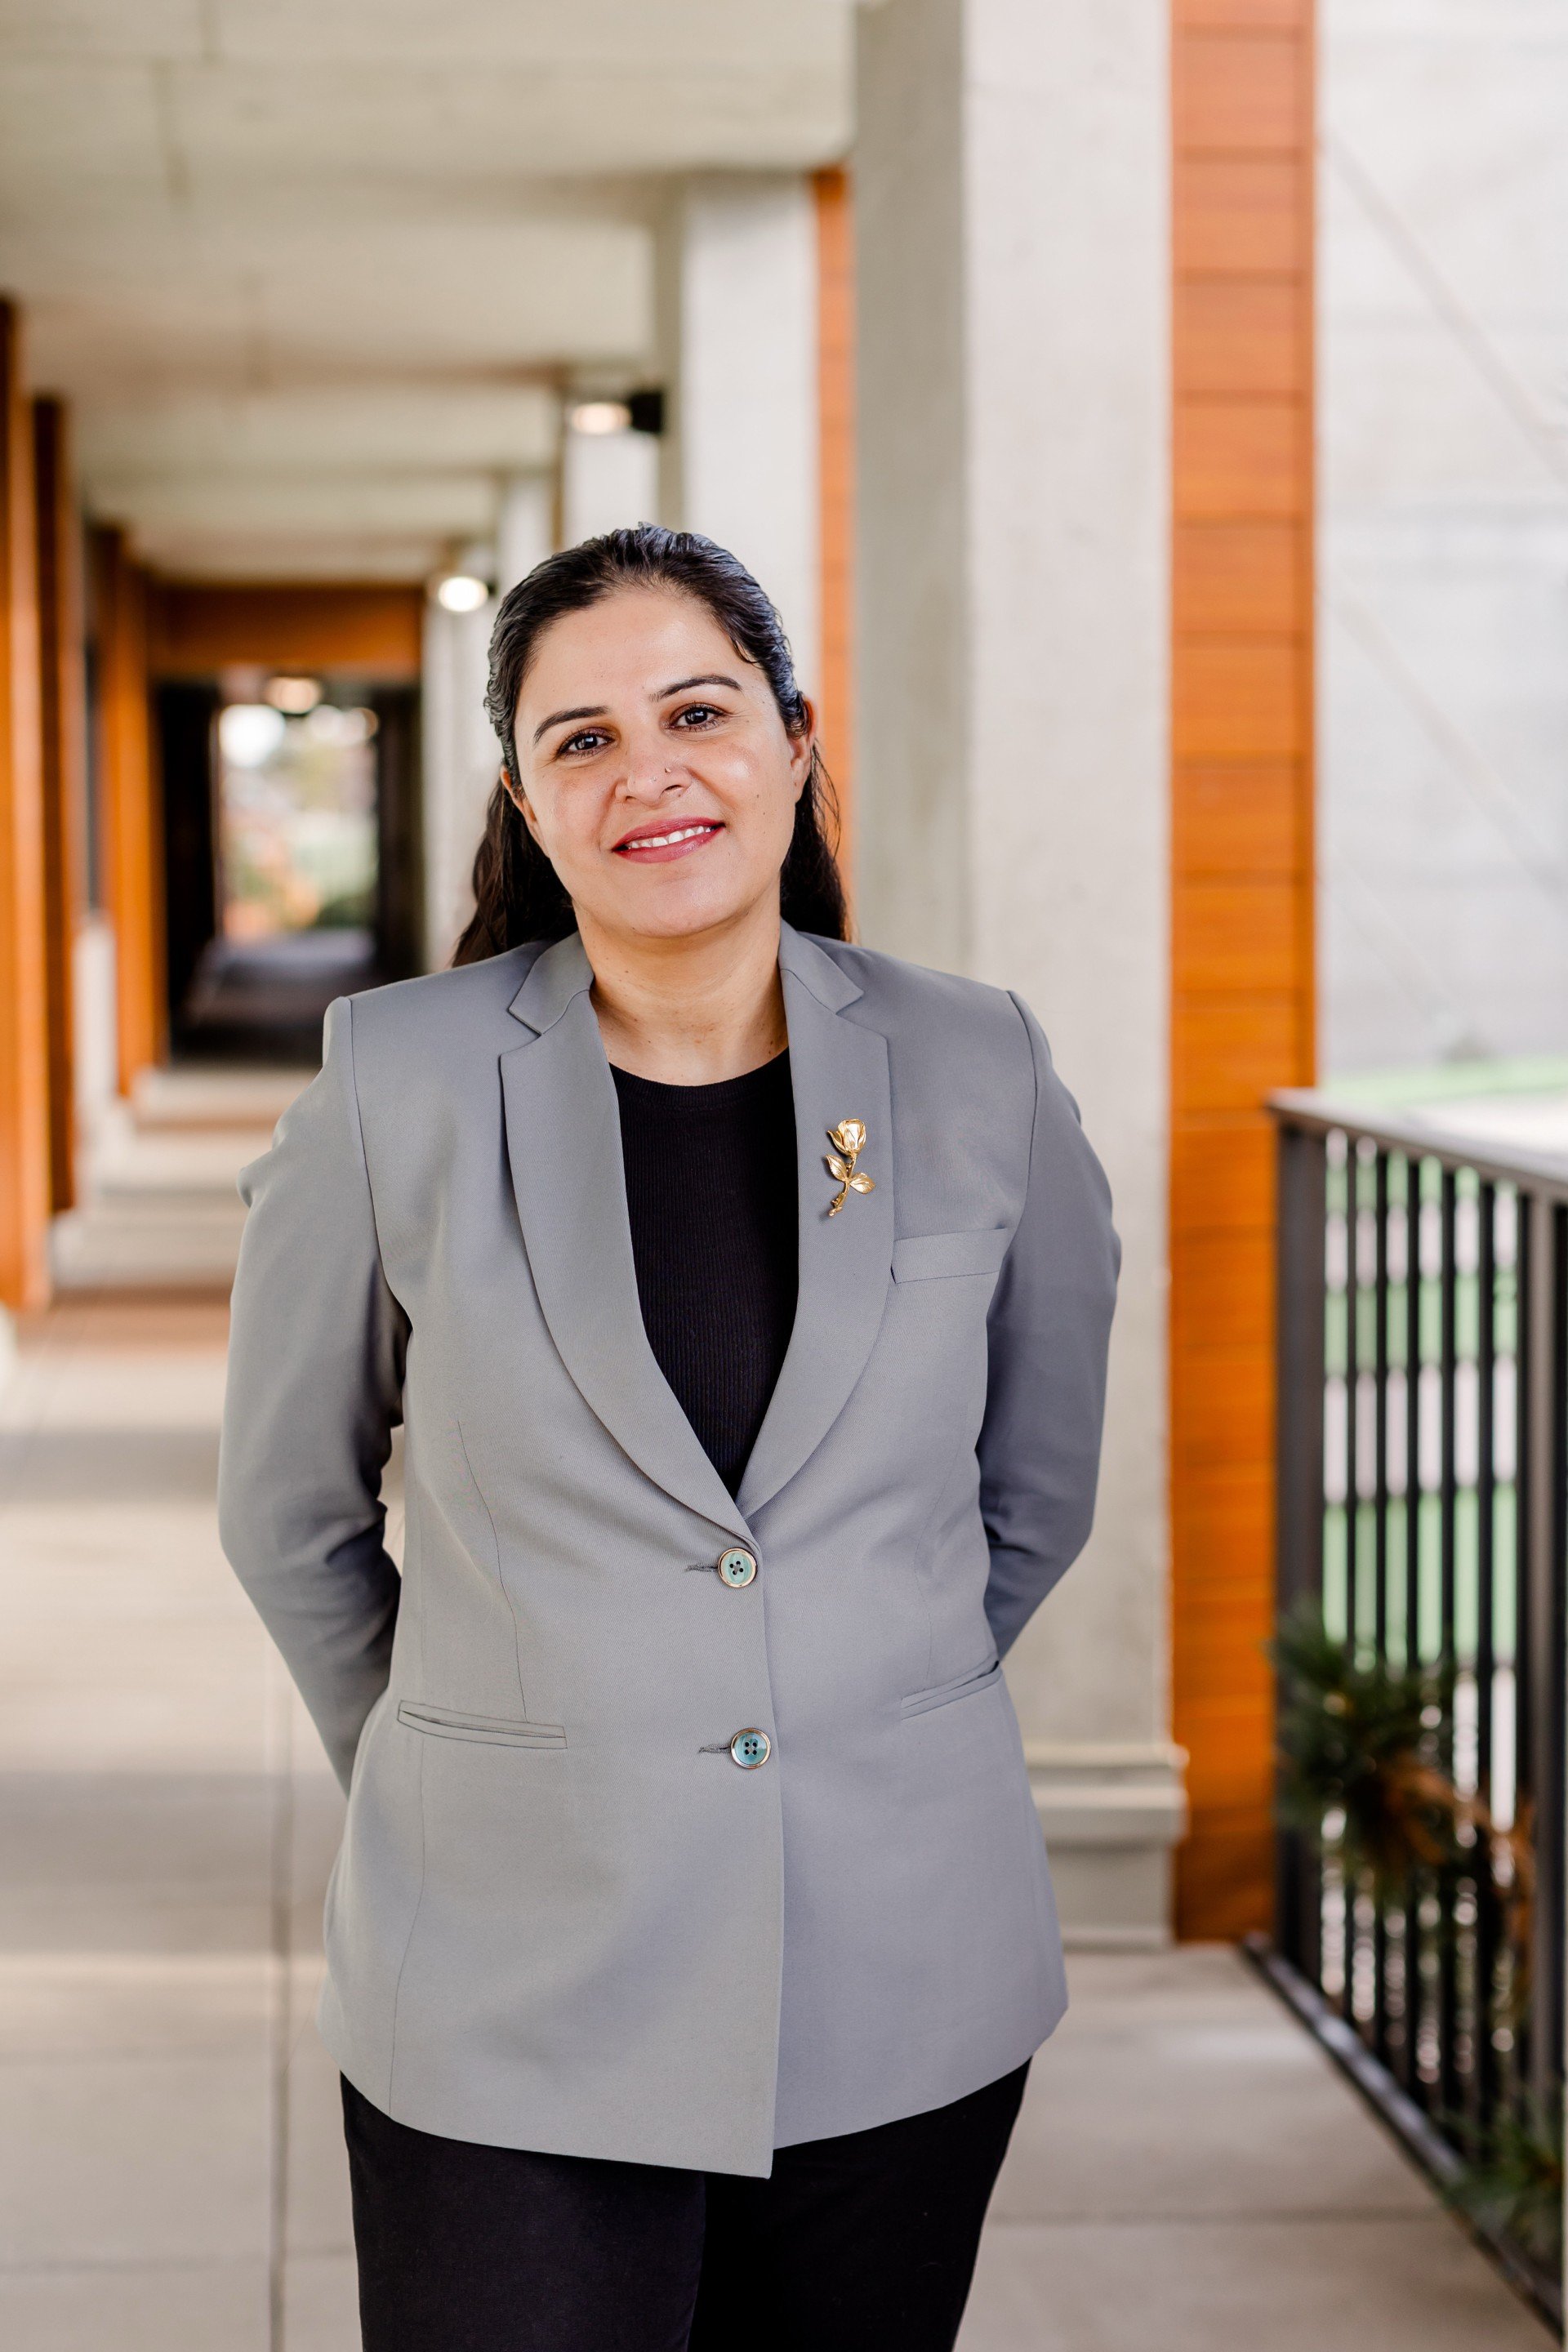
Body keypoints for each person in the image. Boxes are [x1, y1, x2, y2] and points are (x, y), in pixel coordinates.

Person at [219, 525, 1119, 2351]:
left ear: (792, 741)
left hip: (899, 1967)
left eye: (698, 712)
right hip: (505, 1975)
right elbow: (289, 1515)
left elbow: (1035, 1490)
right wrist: (464, 1758)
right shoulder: (395, 1083)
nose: (651, 772)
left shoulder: (981, 1067)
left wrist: (839, 1694)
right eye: (584, 739)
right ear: (529, 804)